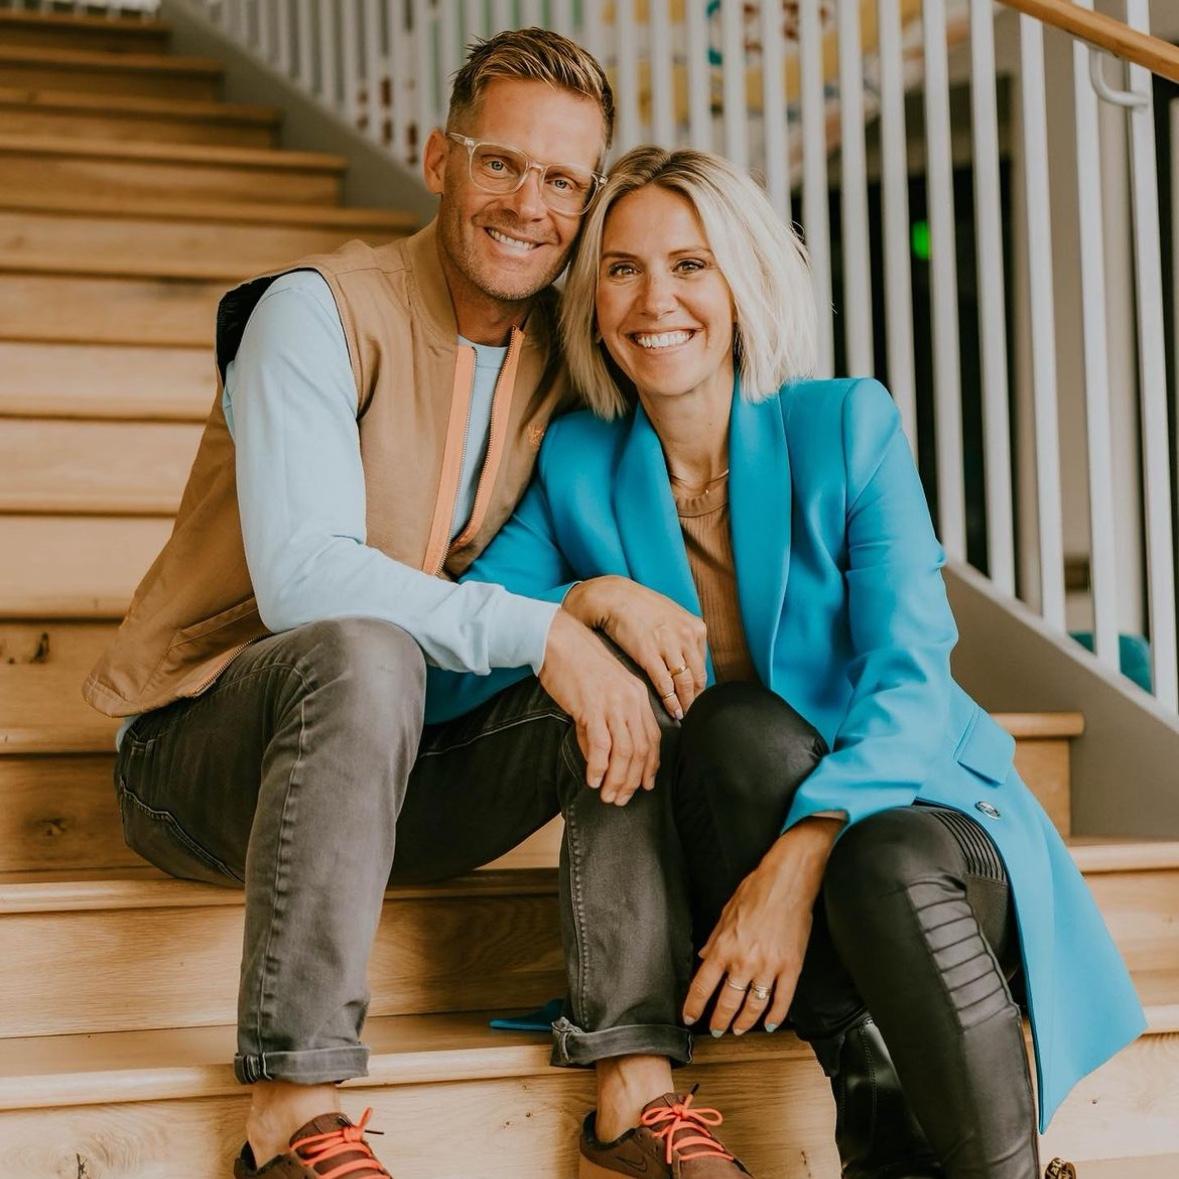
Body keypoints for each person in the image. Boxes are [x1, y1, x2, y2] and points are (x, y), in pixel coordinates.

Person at [425, 147, 1145, 1179]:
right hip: (739, 835)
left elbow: (911, 676)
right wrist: (583, 602)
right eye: (622, 269)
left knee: (875, 855)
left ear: (743, 283)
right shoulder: (579, 463)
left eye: (690, 265)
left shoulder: (845, 425)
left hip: (931, 831)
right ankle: (884, 1122)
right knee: (730, 728)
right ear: (590, 300)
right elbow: (451, 668)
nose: (655, 300)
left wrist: (797, 862)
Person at [81, 30, 686, 1179]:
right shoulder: (313, 311)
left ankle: (633, 1089)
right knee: (362, 651)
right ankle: (294, 1108)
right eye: (501, 163)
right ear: (439, 159)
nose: (529, 205)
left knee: (623, 686)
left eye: (564, 181)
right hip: (203, 760)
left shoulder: (569, 353)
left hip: (402, 770)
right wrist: (544, 628)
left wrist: (591, 604)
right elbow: (305, 577)